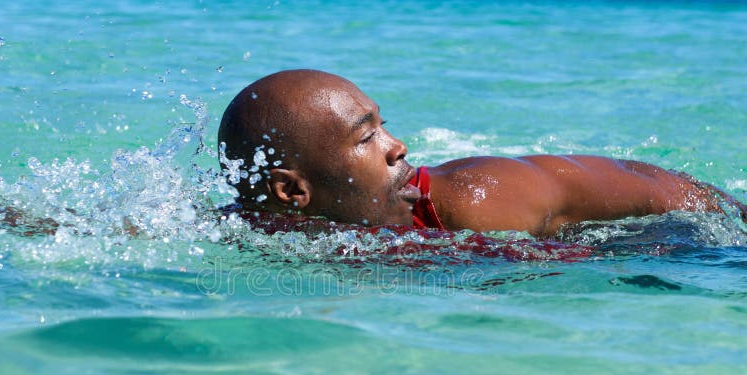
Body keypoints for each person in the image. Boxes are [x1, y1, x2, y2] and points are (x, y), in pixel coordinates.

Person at [218, 69, 744, 237]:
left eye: (383, 127)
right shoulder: (259, 225)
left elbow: (649, 186)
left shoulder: (479, 201)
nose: (397, 147)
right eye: (366, 138)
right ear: (290, 192)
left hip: (669, 242)